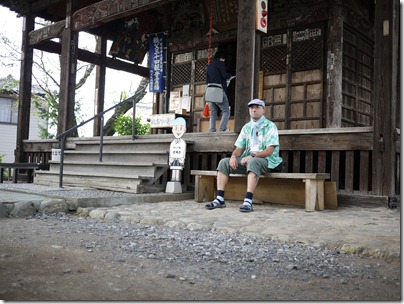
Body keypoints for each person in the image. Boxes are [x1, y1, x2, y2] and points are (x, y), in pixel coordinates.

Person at [205, 99, 283, 212]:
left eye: (257, 107)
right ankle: (220, 198)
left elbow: (270, 150)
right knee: (224, 163)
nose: (254, 109)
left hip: (268, 160)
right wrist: (233, 157)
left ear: (263, 110)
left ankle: (248, 201)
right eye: (251, 108)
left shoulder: (270, 126)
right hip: (248, 160)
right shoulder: (247, 127)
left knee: (253, 162)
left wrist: (252, 156)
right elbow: (239, 148)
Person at [206, 51, 231, 132]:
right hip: (219, 89)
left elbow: (206, 80)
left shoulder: (209, 65)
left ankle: (212, 129)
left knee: (213, 112)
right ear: (221, 58)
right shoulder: (221, 64)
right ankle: (223, 128)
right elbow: (225, 75)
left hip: (210, 90)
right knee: (226, 110)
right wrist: (230, 75)